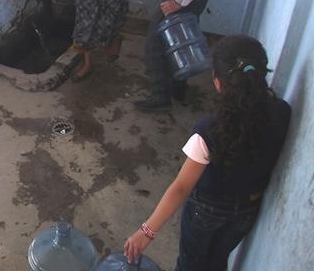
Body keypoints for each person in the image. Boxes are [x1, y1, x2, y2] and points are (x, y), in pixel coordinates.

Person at [124, 35, 292, 270]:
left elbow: (181, 187)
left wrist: (146, 231)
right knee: (217, 262)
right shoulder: (282, 113)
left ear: (218, 82)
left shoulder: (209, 131)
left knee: (190, 264)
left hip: (207, 210)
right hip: (247, 209)